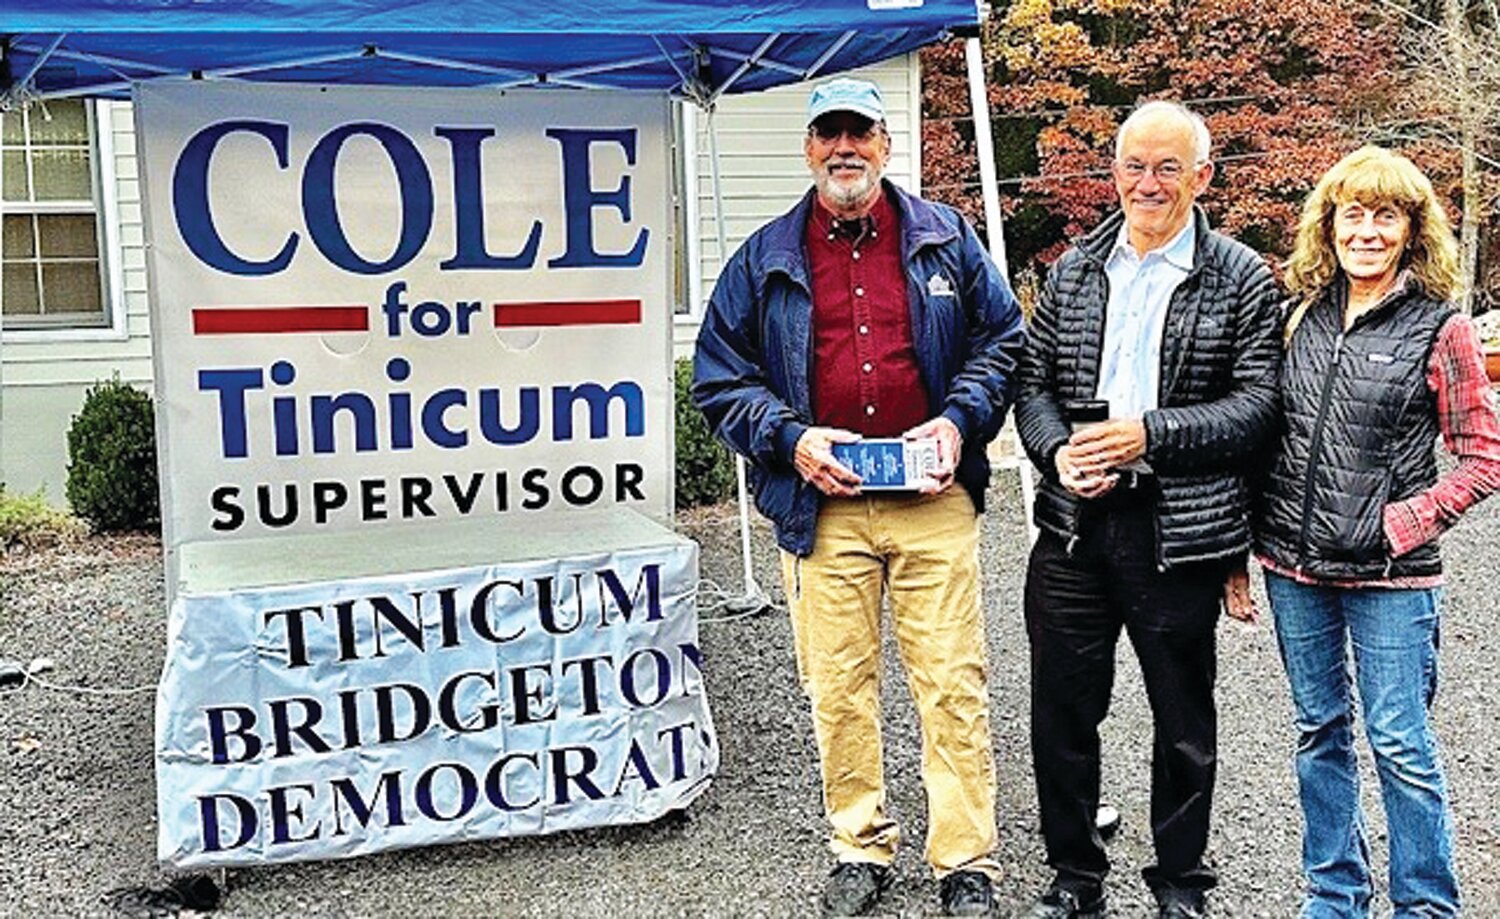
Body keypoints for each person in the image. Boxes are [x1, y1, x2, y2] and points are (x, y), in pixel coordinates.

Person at [692, 76, 1025, 917]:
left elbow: (1003, 340)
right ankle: (858, 842)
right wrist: (791, 438)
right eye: (828, 133)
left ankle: (966, 861)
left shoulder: (947, 240)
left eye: (861, 132)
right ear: (808, 147)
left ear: (885, 143)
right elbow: (719, 378)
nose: (845, 147)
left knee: (951, 681)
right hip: (823, 510)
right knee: (838, 686)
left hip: (932, 499)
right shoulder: (766, 258)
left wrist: (959, 419)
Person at [1014, 100, 1282, 919]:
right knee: (1062, 710)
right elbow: (1035, 387)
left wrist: (1149, 437)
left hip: (1180, 528)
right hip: (1074, 524)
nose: (1149, 183)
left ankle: (1180, 884)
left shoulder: (1240, 276)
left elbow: (1261, 405)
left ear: (1203, 176)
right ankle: (1074, 876)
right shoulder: (1074, 269)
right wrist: (1057, 451)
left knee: (1182, 717)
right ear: (1114, 172)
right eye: (1135, 165)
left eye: (1169, 167)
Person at [1225, 145, 1500, 917]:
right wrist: (1241, 555)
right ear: (1331, 223)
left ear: (1412, 230)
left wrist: (1407, 520)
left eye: (1387, 215)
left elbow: (1484, 456)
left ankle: (1424, 904)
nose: (1368, 231)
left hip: (1392, 576)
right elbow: (1266, 442)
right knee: (1319, 732)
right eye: (1355, 213)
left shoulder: (1441, 328)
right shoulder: (1299, 316)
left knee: (1402, 744)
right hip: (1295, 568)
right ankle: (1335, 892)